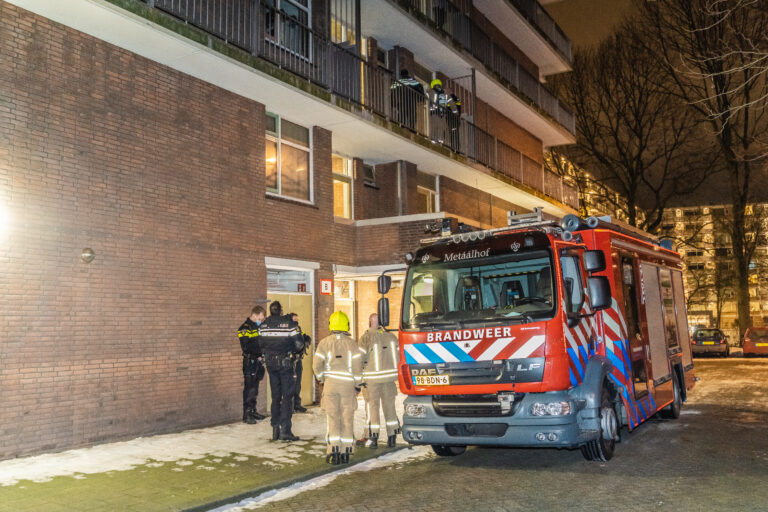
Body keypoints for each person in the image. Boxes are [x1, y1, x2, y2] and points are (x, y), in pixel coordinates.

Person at [313, 311, 362, 465]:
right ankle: (346, 451)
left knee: (333, 418)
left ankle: (333, 451)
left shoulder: (324, 343)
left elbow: (316, 366)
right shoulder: (352, 344)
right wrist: (357, 385)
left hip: (330, 386)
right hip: (347, 387)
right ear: (346, 325)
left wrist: (321, 378)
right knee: (347, 418)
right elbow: (357, 368)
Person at [260, 301, 305, 441]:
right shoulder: (290, 325)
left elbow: (260, 344)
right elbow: (299, 344)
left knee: (275, 397)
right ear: (281, 311)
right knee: (287, 397)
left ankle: (275, 429)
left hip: (271, 365)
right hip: (285, 364)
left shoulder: (263, 325)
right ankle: (285, 430)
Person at [358, 313, 400, 448]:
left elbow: (360, 359)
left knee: (373, 409)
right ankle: (392, 438)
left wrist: (359, 376)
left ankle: (373, 439)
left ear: (369, 322)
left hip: (372, 381)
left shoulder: (366, 338)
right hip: (389, 380)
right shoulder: (392, 337)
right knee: (390, 408)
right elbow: (399, 356)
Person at [237, 306, 266, 424]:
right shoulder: (245, 328)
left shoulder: (257, 327)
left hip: (257, 361)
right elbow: (246, 346)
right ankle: (247, 414)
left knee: (255, 388)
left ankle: (253, 410)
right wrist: (259, 352)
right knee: (249, 389)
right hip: (250, 362)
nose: (262, 319)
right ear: (256, 314)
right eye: (262, 316)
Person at [290, 312, 311, 413]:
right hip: (291, 360)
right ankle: (290, 405)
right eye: (295, 320)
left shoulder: (298, 329)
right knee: (291, 384)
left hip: (298, 360)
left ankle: (297, 404)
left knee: (298, 384)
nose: (296, 321)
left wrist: (307, 339)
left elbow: (303, 338)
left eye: (297, 320)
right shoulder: (288, 330)